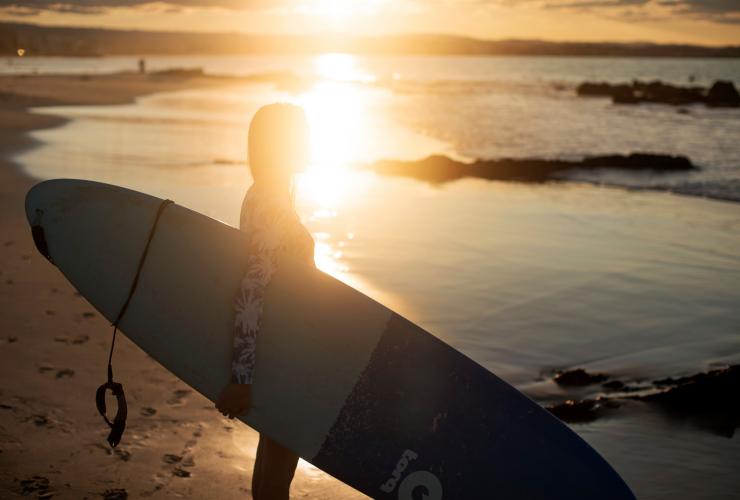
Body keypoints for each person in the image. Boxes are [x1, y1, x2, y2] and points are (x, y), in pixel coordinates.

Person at [215, 103, 315, 500]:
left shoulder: (266, 195)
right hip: (280, 355)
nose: (309, 144)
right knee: (276, 475)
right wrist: (242, 378)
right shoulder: (271, 203)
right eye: (302, 137)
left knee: (272, 468)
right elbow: (251, 290)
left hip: (280, 349)